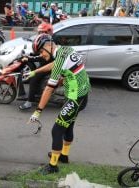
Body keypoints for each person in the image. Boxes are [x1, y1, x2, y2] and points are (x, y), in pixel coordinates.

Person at [27, 34, 90, 174]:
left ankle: (53, 166)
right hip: (81, 95)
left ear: (49, 45)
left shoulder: (60, 58)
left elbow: (49, 88)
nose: (42, 55)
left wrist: (37, 111)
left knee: (56, 130)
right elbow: (55, 65)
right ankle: (64, 156)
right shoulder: (65, 50)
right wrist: (34, 72)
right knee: (68, 126)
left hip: (76, 97)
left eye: (42, 51)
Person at [19, 23, 53, 110]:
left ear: (47, 31)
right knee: (33, 72)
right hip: (46, 63)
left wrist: (29, 58)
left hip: (49, 66)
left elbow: (42, 57)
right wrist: (29, 56)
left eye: (42, 32)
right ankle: (36, 93)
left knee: (33, 78)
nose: (40, 33)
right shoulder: (46, 40)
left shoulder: (48, 42)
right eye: (39, 32)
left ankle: (29, 102)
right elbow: (38, 53)